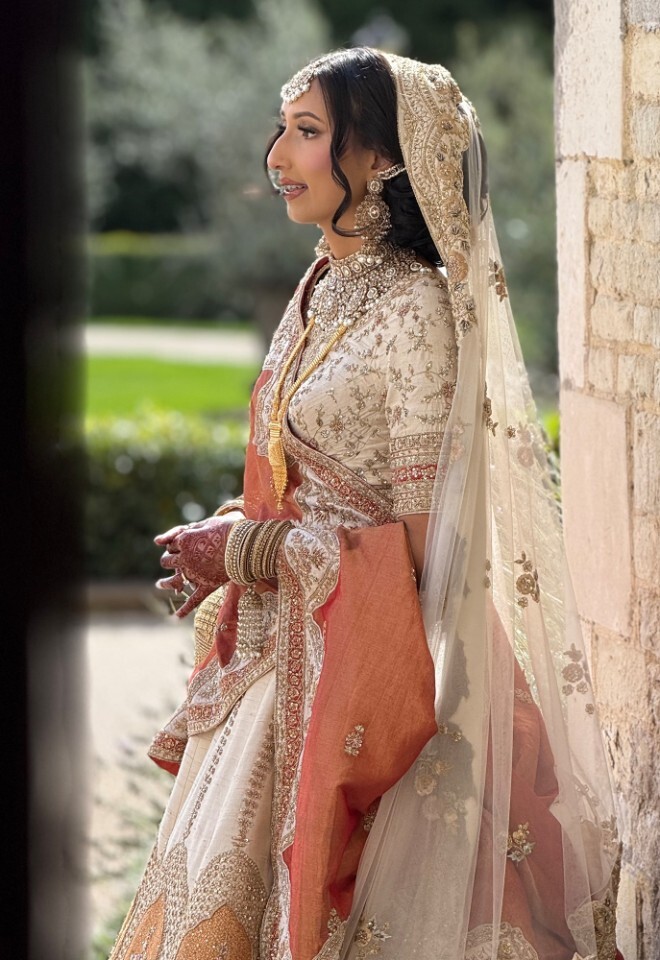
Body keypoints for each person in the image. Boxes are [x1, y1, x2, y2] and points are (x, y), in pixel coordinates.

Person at [109, 48, 622, 960]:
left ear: (382, 158)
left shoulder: (417, 308)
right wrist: (235, 533)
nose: (278, 156)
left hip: (365, 676)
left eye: (308, 133)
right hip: (281, 659)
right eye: (284, 128)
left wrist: (250, 554)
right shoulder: (322, 286)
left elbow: (435, 556)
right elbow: (309, 480)